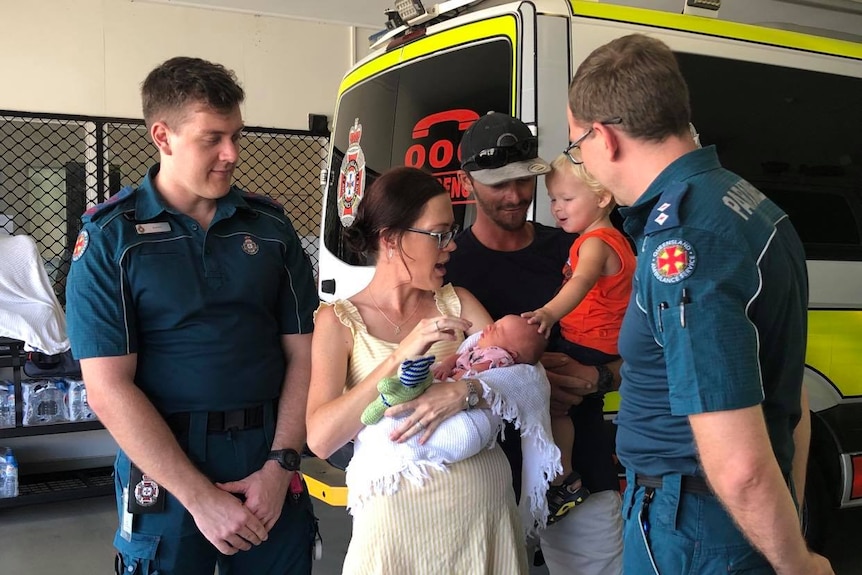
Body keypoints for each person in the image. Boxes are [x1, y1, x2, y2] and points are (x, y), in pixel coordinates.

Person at [567, 34, 829, 575]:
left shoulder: (683, 243)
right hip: (733, 518)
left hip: (693, 526)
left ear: (606, 138)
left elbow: (738, 467)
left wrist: (797, 564)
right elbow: (790, 396)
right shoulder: (746, 203)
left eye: (577, 146)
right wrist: (791, 524)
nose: (582, 160)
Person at [65, 57, 318, 575]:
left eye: (236, 136)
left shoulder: (269, 227)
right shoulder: (112, 238)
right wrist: (199, 497)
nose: (232, 154)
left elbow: (304, 352)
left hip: (268, 453)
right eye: (213, 138)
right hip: (165, 462)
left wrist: (280, 465)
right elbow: (107, 387)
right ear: (163, 135)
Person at [306, 166, 536, 574]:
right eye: (439, 233)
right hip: (397, 538)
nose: (451, 247)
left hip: (483, 525)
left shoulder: (458, 303)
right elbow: (322, 439)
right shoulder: (339, 320)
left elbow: (526, 379)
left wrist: (463, 393)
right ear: (392, 238)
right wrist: (399, 358)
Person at [447, 111, 623, 575]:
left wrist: (598, 377)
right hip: (485, 472)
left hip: (580, 466)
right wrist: (535, 381)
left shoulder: (576, 248)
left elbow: (642, 350)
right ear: (467, 184)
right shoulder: (451, 269)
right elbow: (441, 371)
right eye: (497, 184)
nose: (515, 195)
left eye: (524, 180)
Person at [522, 154, 635, 524]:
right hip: (602, 343)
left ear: (602, 197)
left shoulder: (596, 243)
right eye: (553, 198)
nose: (556, 208)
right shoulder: (611, 239)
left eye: (567, 199)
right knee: (579, 407)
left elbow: (582, 282)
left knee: (553, 404)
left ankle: (563, 481)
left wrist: (549, 313)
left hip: (589, 342)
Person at [433, 314, 548, 381]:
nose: (489, 326)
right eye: (496, 323)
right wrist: (445, 365)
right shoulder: (480, 349)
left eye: (498, 330)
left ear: (510, 354)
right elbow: (458, 356)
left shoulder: (498, 356)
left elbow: (473, 373)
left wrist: (452, 381)